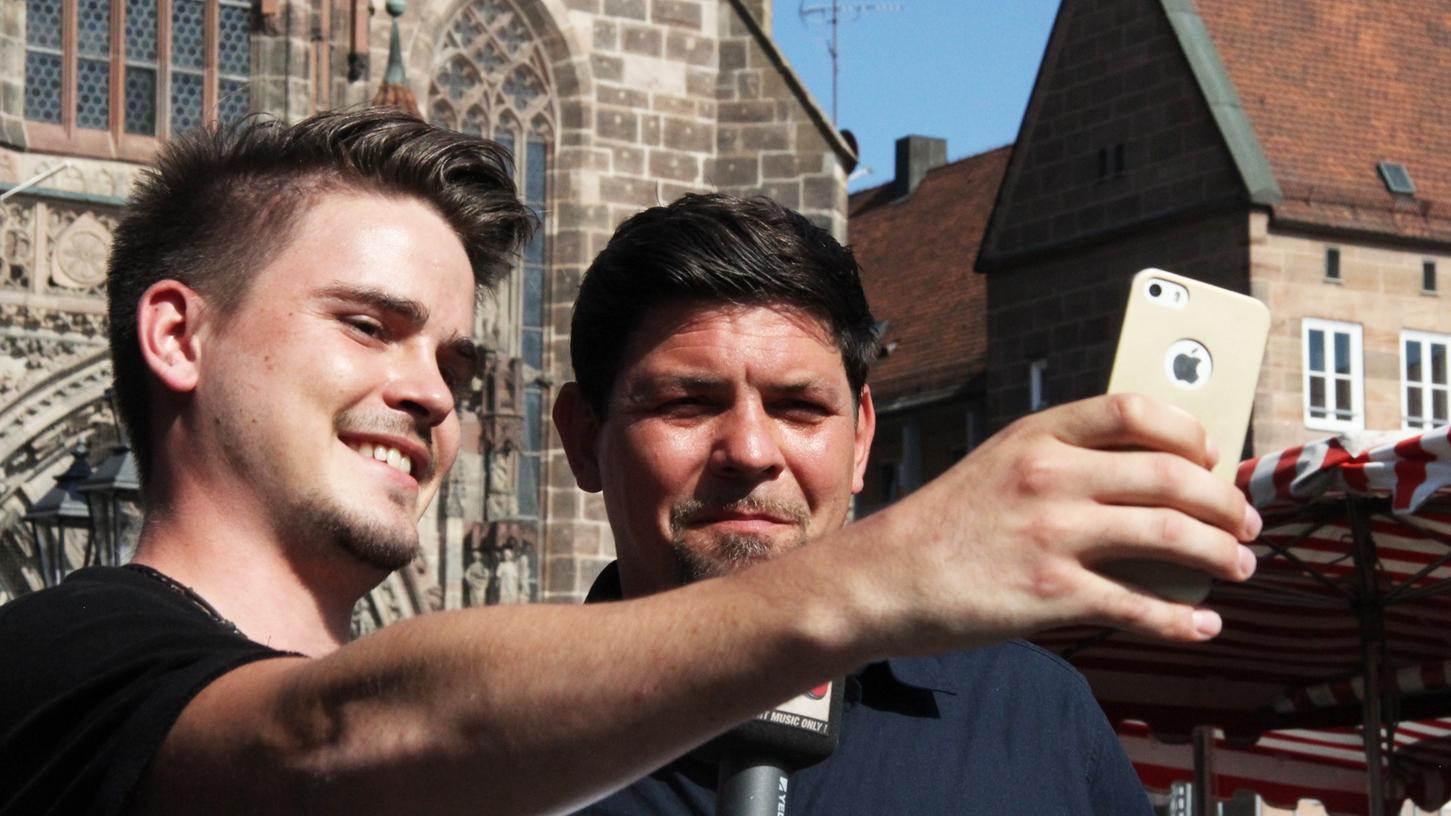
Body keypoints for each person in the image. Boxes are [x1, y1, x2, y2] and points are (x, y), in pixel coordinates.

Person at [0, 108, 1259, 816]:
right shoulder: (64, 660)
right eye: (368, 324)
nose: (427, 391)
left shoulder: (1025, 716)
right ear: (179, 331)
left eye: (453, 357)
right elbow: (337, 733)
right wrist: (905, 564)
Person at [552, 193, 1156, 813]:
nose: (752, 450)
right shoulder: (471, 750)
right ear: (583, 438)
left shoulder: (1035, 718)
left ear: (862, 439)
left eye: (799, 408)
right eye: (687, 403)